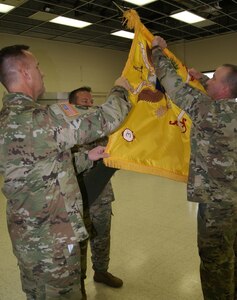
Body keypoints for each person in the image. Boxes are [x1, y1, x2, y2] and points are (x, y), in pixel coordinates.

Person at [0, 44, 131, 300]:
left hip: (26, 237)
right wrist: (121, 88)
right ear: (25, 73)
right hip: (54, 241)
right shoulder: (45, 118)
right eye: (37, 67)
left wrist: (85, 157)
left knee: (37, 293)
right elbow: (109, 117)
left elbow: (38, 167)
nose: (42, 73)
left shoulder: (5, 119)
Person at [151, 36, 237, 299]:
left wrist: (157, 50)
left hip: (217, 204)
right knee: (232, 253)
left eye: (213, 79)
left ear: (224, 89)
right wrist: (201, 78)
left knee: (215, 261)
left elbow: (174, 86)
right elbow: (208, 91)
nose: (208, 80)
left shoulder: (210, 112)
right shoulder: (228, 111)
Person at [69, 87, 123, 297]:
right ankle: (79, 282)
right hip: (77, 197)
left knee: (102, 236)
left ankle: (101, 271)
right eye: (84, 101)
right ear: (73, 106)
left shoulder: (101, 129)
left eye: (91, 101)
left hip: (101, 195)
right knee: (79, 243)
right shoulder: (67, 132)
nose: (90, 104)